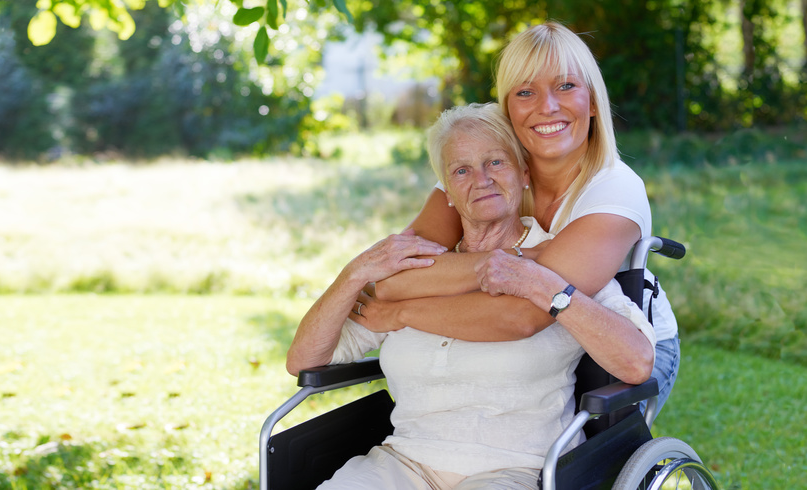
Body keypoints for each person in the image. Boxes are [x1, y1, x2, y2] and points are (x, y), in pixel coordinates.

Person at [286, 103, 656, 489]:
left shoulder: (556, 262)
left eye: (495, 162)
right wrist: (356, 272)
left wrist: (553, 293)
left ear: (524, 174)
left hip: (518, 469)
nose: (481, 180)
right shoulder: (416, 271)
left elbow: (636, 362)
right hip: (403, 464)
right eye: (461, 170)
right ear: (445, 192)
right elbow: (304, 360)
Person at [359, 22, 680, 417]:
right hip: (525, 347)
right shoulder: (487, 170)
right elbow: (395, 279)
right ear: (507, 108)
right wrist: (510, 260)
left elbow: (523, 315)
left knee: (578, 459)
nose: (547, 107)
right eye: (526, 92)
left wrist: (401, 313)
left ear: (593, 101)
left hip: (611, 343)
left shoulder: (615, 192)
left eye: (565, 86)